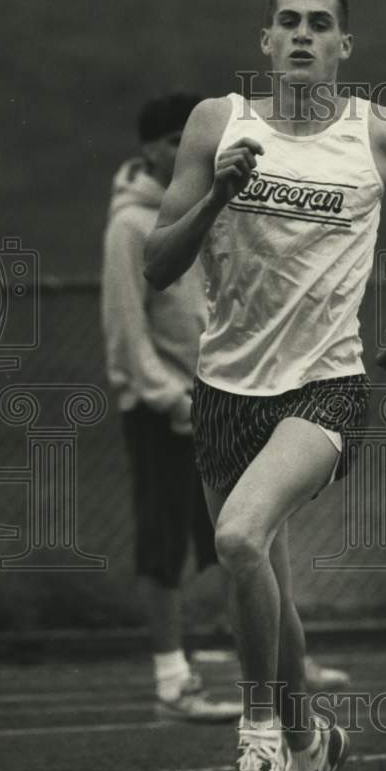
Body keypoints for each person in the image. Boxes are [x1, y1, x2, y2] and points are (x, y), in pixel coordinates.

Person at [143, 0, 386, 771]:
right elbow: (156, 266)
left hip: (326, 388)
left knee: (237, 541)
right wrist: (217, 194)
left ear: (343, 48)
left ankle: (257, 740)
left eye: (319, 25)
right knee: (269, 591)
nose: (302, 36)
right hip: (225, 391)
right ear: (265, 43)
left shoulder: (385, 133)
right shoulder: (219, 125)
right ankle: (311, 739)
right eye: (287, 23)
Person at [101, 93, 242, 722]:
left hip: (213, 401)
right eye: (178, 141)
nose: (193, 152)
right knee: (162, 542)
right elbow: (126, 336)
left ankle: (268, 655)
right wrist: (169, 397)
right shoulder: (130, 225)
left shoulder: (204, 206)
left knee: (234, 539)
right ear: (153, 148)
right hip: (161, 411)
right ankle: (170, 681)